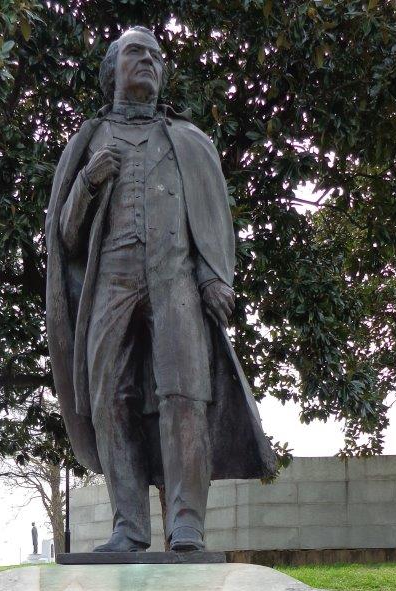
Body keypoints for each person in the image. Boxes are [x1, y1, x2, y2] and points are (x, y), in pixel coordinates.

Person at [46, 26, 275, 553]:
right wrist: (86, 183)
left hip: (175, 280)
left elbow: (214, 218)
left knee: (185, 393)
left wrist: (216, 275)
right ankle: (128, 529)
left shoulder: (189, 141)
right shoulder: (89, 140)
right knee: (108, 398)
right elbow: (64, 236)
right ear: (113, 70)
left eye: (156, 55)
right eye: (135, 52)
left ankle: (187, 526)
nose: (147, 60)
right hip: (112, 279)